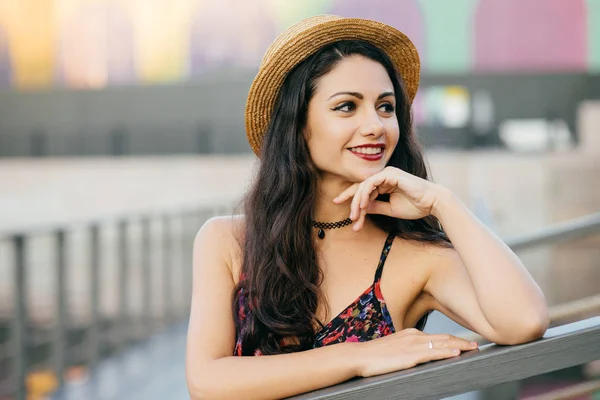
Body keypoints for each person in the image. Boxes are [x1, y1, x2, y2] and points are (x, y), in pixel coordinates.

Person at [186, 15, 549, 400]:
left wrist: (443, 202)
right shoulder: (227, 241)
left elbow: (524, 322)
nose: (375, 125)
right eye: (347, 107)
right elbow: (208, 382)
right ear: (298, 124)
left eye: (386, 107)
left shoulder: (417, 257)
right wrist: (359, 357)